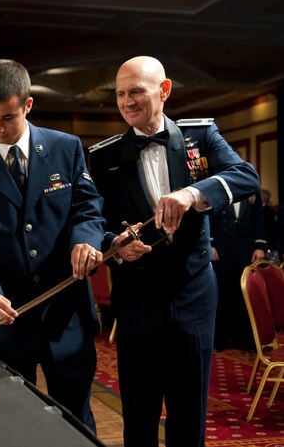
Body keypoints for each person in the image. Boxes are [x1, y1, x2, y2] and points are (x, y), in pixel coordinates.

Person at [88, 56, 260, 447]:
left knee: (189, 408)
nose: (126, 102)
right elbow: (92, 220)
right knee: (139, 408)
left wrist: (192, 193)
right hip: (137, 295)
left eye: (136, 92)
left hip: (194, 293)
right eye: (119, 94)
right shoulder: (104, 156)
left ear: (164, 91)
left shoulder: (201, 135)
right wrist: (113, 244)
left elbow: (246, 176)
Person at [0, 59, 106, 431]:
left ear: (28, 106)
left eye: (8, 118)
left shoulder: (66, 148)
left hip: (67, 314)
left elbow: (87, 208)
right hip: (8, 317)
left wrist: (85, 241)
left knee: (76, 419)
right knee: (11, 426)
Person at [211, 190, 267, 350]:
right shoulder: (218, 188)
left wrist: (260, 245)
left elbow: (259, 218)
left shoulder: (251, 189)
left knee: (245, 294)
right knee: (223, 291)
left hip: (246, 248)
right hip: (222, 248)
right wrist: (211, 243)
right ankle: (222, 338)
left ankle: (245, 339)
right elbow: (209, 217)